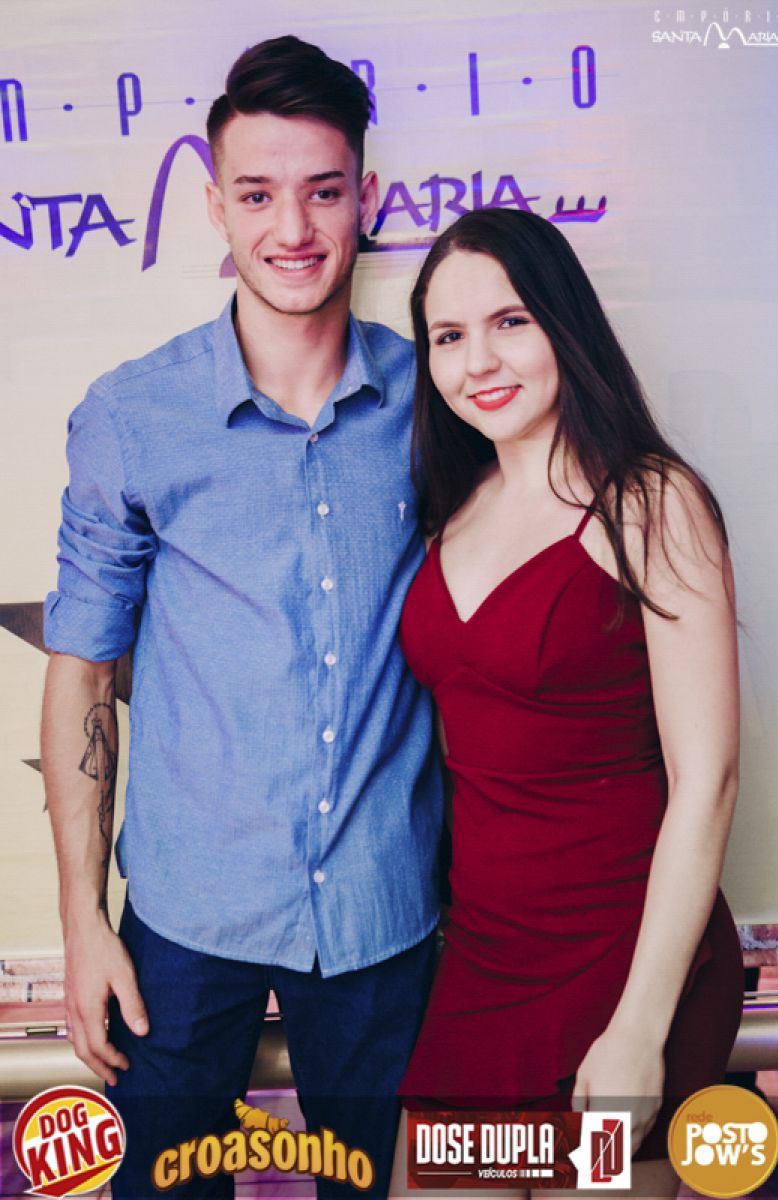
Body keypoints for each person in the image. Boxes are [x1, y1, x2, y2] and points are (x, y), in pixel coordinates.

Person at [41, 35, 443, 1199]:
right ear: (215, 205)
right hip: (183, 919)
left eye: (323, 191)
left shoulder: (440, 403)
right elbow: (82, 671)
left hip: (384, 912)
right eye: (258, 194)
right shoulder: (132, 418)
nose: (293, 228)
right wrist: (83, 922)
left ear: (366, 197)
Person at [391, 209, 744, 1199]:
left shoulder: (651, 502)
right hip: (483, 967)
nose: (477, 361)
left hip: (629, 967)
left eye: (509, 321)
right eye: (448, 336)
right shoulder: (448, 508)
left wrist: (638, 1028)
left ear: (564, 322)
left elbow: (708, 780)